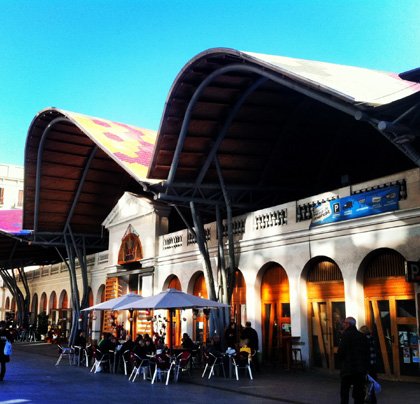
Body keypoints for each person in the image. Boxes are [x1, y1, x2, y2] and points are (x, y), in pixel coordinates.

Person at [337, 317, 369, 404]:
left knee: (345, 392)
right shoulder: (362, 336)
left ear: (348, 324)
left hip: (347, 369)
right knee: (359, 392)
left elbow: (341, 352)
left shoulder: (345, 336)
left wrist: (341, 362)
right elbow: (367, 353)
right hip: (359, 369)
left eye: (344, 323)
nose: (343, 324)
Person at [360, 325, 378, 404]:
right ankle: (373, 400)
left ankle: (367, 399)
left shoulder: (363, 340)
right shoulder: (372, 338)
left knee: (364, 384)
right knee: (371, 383)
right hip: (373, 364)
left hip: (366, 365)